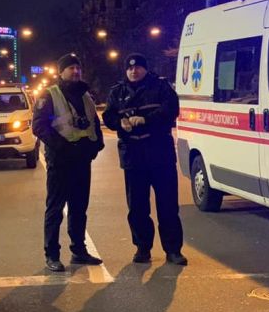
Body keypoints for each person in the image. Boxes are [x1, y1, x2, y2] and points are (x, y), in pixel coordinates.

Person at [103, 53, 187, 266]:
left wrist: (146, 119)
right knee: (137, 207)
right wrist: (120, 123)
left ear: (145, 69)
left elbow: (171, 110)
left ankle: (173, 250)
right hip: (133, 156)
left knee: (167, 205)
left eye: (138, 67)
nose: (134, 71)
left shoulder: (160, 87)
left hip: (160, 155)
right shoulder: (118, 92)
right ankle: (142, 248)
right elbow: (108, 116)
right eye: (130, 68)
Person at [33, 53, 105, 272]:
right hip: (61, 160)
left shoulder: (85, 95)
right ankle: (52, 255)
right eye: (71, 68)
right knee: (55, 209)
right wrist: (63, 147)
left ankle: (79, 251)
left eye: (78, 68)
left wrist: (96, 146)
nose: (75, 71)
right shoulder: (49, 94)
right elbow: (39, 126)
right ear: (61, 72)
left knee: (79, 208)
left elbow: (94, 123)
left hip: (81, 160)